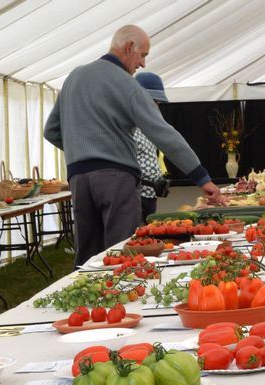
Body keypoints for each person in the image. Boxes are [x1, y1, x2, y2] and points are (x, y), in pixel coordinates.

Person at [44, 24, 224, 267]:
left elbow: (51, 131)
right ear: (128, 48)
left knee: (87, 256)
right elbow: (163, 133)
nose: (143, 64)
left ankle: (83, 302)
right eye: (143, 55)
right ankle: (122, 300)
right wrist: (202, 178)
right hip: (116, 180)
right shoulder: (127, 84)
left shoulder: (75, 76)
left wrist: (83, 151)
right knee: (122, 251)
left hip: (78, 178)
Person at [134, 71, 167, 223]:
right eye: (155, 101)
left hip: (150, 193)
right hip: (135, 195)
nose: (157, 106)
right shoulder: (126, 124)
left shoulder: (146, 125)